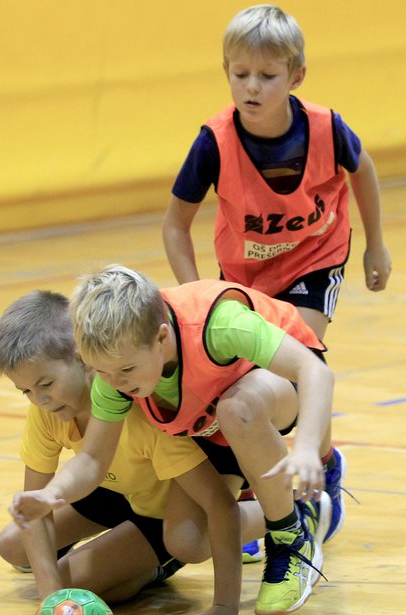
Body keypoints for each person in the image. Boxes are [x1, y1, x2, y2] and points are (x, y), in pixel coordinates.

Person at [161, 4, 391, 551]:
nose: (251, 86)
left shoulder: (325, 127)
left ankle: (320, 463)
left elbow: (365, 171)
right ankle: (261, 483)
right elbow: (175, 224)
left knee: (298, 359)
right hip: (243, 276)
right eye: (240, 74)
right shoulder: (213, 142)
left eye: (266, 75)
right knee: (242, 379)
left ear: (296, 76)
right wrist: (197, 292)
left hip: (316, 259)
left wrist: (376, 245)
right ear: (226, 73)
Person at [11, 265, 334, 615]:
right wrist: (49, 494)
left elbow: (314, 371)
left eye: (126, 371)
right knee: (187, 542)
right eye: (102, 372)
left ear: (162, 338)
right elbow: (91, 461)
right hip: (206, 415)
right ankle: (303, 508)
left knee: (238, 408)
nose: (115, 383)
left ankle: (289, 532)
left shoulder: (220, 325)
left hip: (274, 390)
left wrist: (306, 447)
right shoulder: (115, 376)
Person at [0, 291, 268, 615]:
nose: (40, 400)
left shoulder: (137, 409)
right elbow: (33, 509)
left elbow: (216, 502)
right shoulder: (45, 413)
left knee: (186, 541)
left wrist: (226, 606)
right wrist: (53, 603)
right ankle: (142, 567)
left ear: (84, 358)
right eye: (26, 392)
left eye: (46, 384)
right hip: (115, 488)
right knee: (14, 545)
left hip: (163, 508)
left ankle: (283, 514)